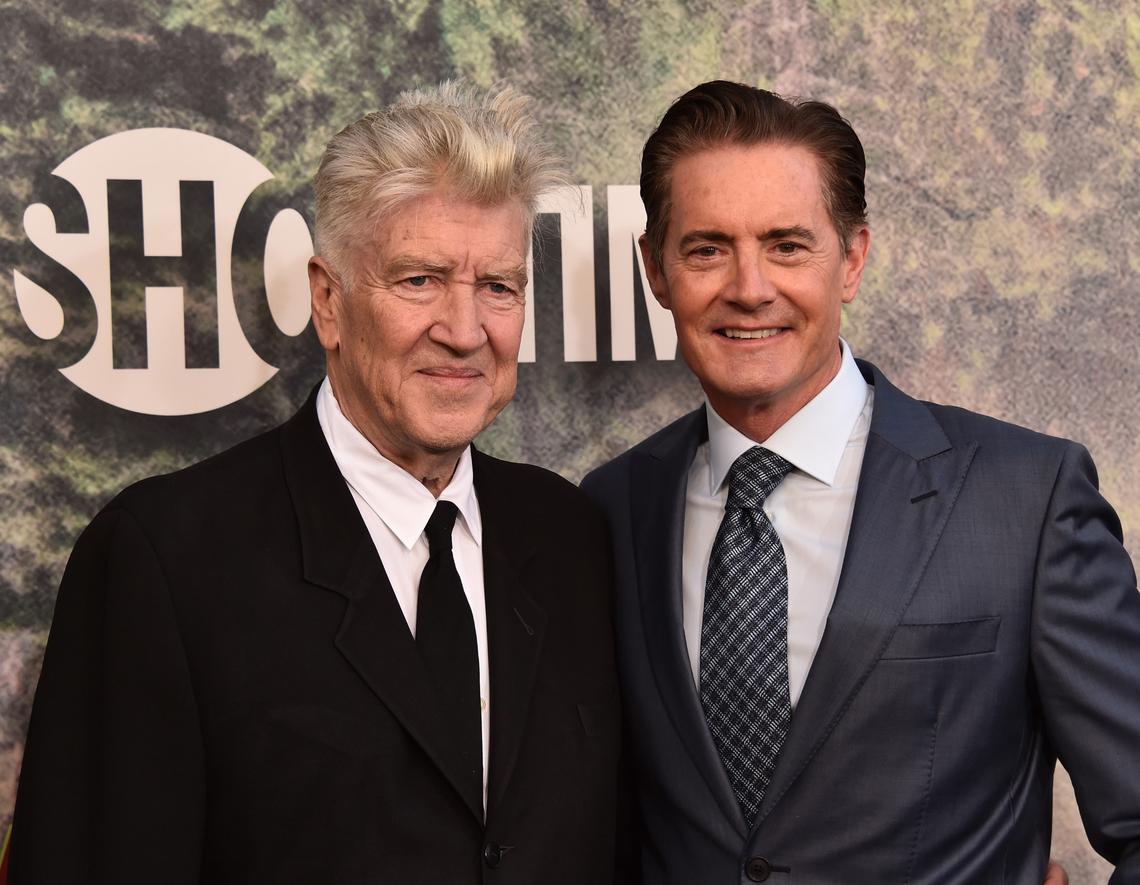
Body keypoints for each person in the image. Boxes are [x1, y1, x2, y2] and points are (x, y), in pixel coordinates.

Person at [10, 82, 621, 884]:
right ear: (329, 301)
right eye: (420, 280)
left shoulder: (570, 535)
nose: (465, 330)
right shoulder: (162, 560)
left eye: (497, 287)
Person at [581, 80, 1140, 883]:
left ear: (852, 258)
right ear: (657, 270)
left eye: (787, 245)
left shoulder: (1028, 500)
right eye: (707, 248)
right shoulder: (609, 509)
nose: (748, 286)